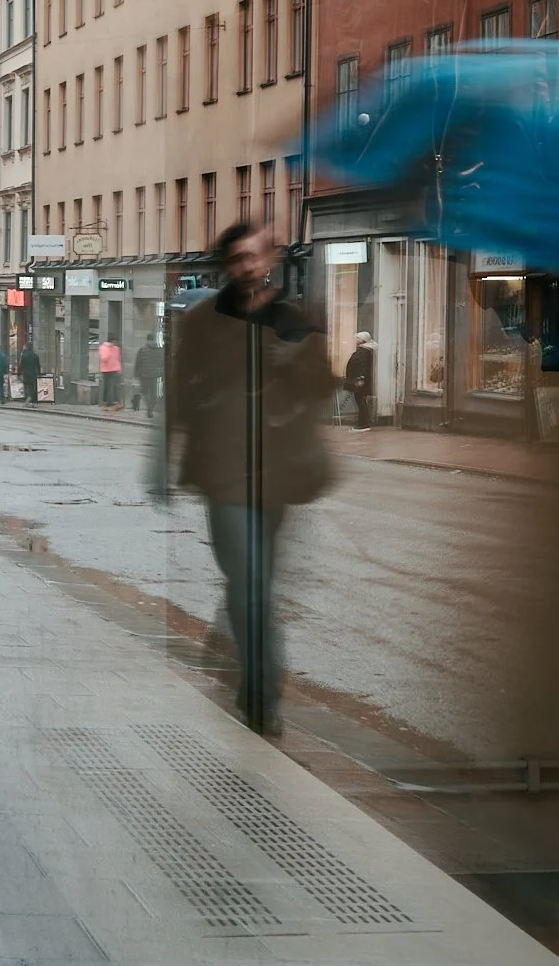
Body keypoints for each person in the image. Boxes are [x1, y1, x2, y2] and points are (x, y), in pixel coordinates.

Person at [169, 222, 334, 735]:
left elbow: (323, 387)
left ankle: (245, 671)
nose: (247, 267)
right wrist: (166, 458)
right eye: (237, 259)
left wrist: (296, 359)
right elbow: (180, 391)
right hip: (224, 473)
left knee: (254, 581)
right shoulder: (202, 321)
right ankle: (264, 694)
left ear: (272, 259)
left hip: (277, 474)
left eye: (254, 257)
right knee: (251, 582)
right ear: (227, 265)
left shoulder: (294, 319)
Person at [344, 331, 376, 430]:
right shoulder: (364, 351)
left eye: (357, 339)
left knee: (361, 402)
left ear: (362, 341)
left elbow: (362, 366)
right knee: (361, 402)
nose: (355, 341)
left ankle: (363, 424)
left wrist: (360, 378)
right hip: (359, 381)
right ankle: (363, 422)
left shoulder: (364, 352)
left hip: (360, 382)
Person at [134, 336, 165, 416]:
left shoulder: (142, 350)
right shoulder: (159, 350)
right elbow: (162, 363)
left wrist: (136, 374)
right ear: (154, 340)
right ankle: (150, 409)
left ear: (147, 340)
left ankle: (149, 409)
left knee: (145, 393)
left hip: (143, 375)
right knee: (154, 395)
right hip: (154, 375)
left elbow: (138, 363)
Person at [98, 336, 125, 410]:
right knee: (107, 387)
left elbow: (118, 359)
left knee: (116, 386)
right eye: (114, 342)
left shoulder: (116, 348)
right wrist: (109, 350)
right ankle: (105, 403)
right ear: (110, 341)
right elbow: (104, 358)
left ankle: (117, 403)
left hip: (114, 370)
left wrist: (119, 369)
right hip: (106, 370)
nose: (115, 343)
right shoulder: (103, 347)